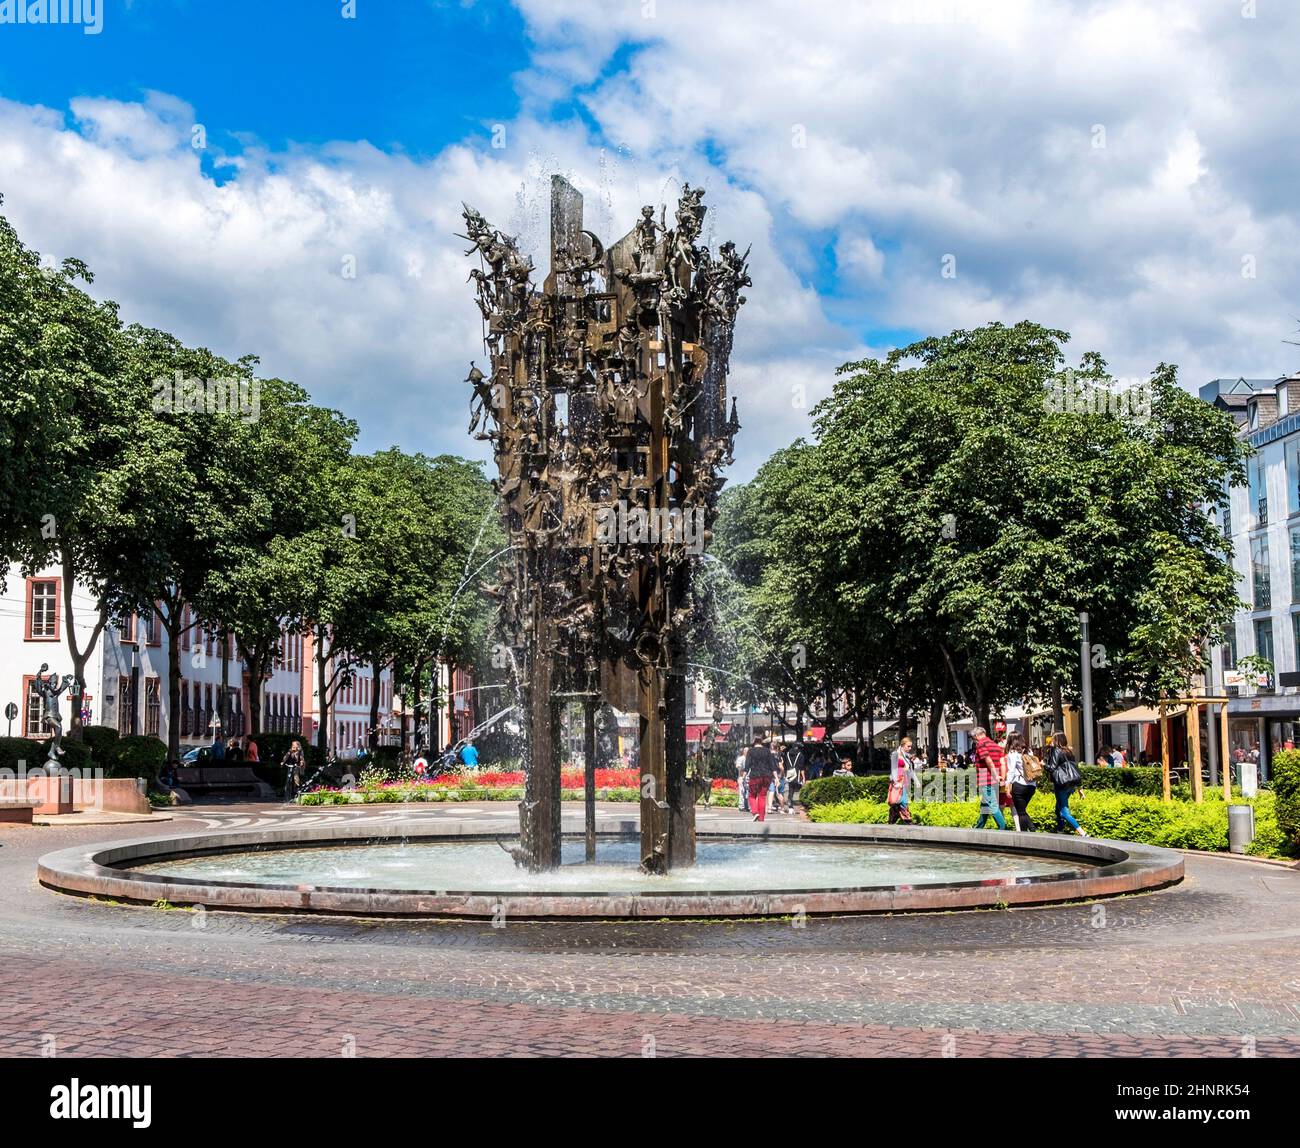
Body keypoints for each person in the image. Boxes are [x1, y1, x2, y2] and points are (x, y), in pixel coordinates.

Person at [1046, 731, 1087, 836]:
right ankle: (1060, 830)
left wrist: (1043, 764)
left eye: (1053, 739)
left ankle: (1082, 833)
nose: (1051, 741)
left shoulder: (1056, 751)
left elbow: (1052, 768)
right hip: (1071, 785)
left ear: (1056, 740)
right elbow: (1075, 769)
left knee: (1064, 812)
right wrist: (1080, 788)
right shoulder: (1069, 751)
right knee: (1057, 809)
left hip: (1061, 785)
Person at [971, 726, 1007, 830]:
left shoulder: (981, 744)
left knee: (992, 805)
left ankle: (1003, 828)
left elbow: (988, 761)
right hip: (995, 779)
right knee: (985, 804)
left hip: (986, 778)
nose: (974, 740)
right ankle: (979, 827)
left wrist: (995, 776)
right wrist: (1002, 778)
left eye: (974, 738)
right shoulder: (995, 745)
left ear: (977, 736)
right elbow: (1002, 763)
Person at [1005, 734, 1037, 832]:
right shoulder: (1029, 751)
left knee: (1021, 812)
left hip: (1019, 784)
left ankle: (1025, 836)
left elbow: (1011, 771)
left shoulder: (1012, 753)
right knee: (1022, 810)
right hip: (1032, 785)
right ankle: (1032, 829)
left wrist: (1007, 786)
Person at [746, 736, 778, 822]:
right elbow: (772, 765)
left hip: (755, 776)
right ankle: (761, 819)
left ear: (754, 742)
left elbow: (747, 765)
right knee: (762, 796)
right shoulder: (767, 751)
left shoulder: (751, 751)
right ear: (761, 742)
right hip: (767, 776)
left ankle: (755, 812)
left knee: (751, 795)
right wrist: (776, 778)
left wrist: (744, 775)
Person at [889, 736, 916, 824]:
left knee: (898, 801)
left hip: (904, 780)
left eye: (911, 746)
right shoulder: (895, 754)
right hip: (897, 780)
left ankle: (893, 817)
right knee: (902, 800)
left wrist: (916, 781)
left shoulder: (907, 756)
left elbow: (910, 770)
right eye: (908, 746)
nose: (910, 748)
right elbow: (893, 769)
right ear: (903, 745)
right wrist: (895, 782)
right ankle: (908, 820)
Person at [734, 743, 750, 812]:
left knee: (748, 792)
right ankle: (741, 806)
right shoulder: (741, 758)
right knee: (742, 791)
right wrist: (742, 773)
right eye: (746, 751)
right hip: (741, 777)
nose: (747, 753)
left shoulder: (749, 759)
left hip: (748, 777)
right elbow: (738, 767)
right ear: (744, 752)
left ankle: (747, 806)